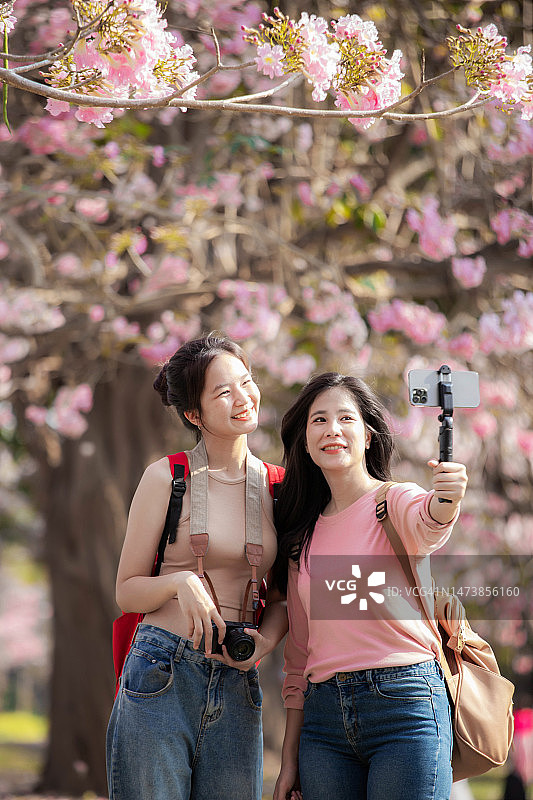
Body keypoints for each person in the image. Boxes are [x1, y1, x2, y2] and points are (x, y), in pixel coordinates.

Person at [106, 333, 287, 800]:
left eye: (246, 383)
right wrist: (179, 582)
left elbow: (284, 594)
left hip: (238, 677)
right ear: (194, 414)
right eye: (224, 392)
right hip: (162, 666)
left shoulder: (278, 486)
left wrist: (265, 640)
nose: (243, 398)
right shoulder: (167, 476)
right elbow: (126, 591)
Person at [272, 372, 468, 800]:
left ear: (367, 436)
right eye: (318, 420)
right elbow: (299, 656)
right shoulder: (300, 539)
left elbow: (430, 520)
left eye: (346, 418)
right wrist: (289, 759)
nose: (332, 430)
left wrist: (447, 499)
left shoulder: (394, 501)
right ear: (305, 440)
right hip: (323, 727)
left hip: (404, 706)